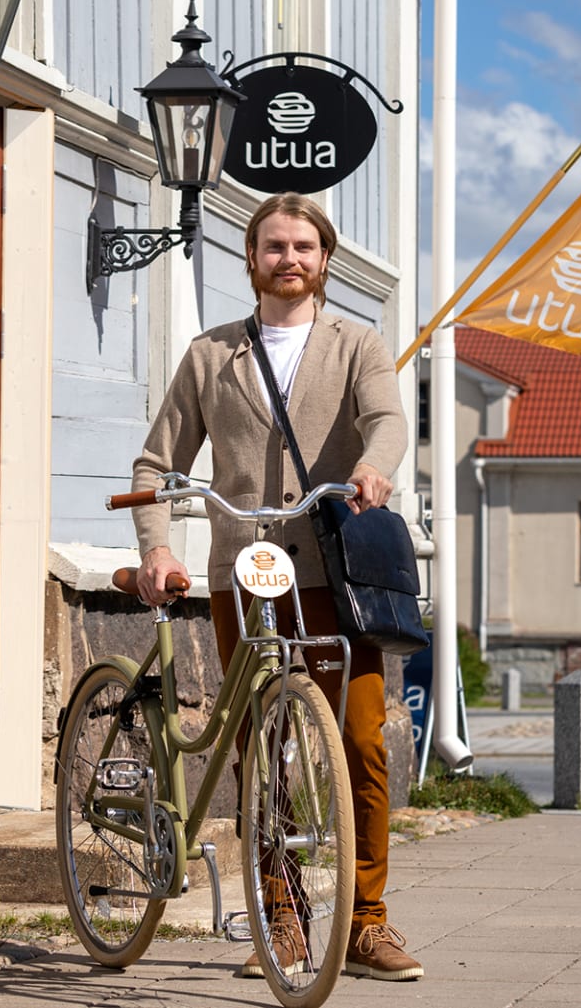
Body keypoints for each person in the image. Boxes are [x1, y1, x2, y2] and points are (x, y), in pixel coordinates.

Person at [127, 191, 418, 982]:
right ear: (252, 258)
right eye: (274, 246)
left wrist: (374, 466)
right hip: (245, 578)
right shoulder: (210, 355)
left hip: (333, 576)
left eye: (303, 246)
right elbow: (155, 463)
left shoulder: (358, 345)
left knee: (360, 738)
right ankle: (281, 920)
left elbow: (388, 419)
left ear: (324, 260)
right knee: (263, 747)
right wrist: (158, 546)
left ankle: (365, 923)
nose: (289, 258)